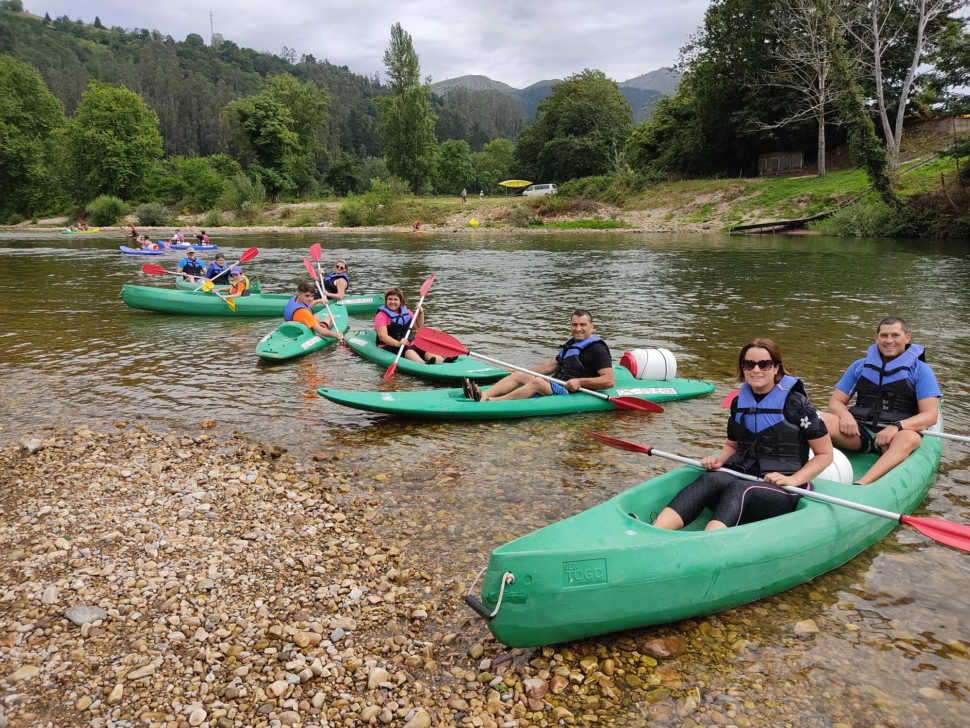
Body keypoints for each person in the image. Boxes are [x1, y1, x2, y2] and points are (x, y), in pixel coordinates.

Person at [653, 339, 833, 532]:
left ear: (776, 368)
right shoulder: (738, 403)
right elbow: (733, 445)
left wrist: (794, 480)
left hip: (784, 489)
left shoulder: (798, 405)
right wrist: (719, 460)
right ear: (742, 368)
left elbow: (825, 454)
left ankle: (709, 541)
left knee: (739, 489)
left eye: (764, 364)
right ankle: (656, 532)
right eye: (749, 364)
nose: (756, 370)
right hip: (743, 475)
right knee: (709, 480)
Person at [821, 317, 941, 485]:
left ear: (907, 338)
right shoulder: (859, 366)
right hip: (857, 434)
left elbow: (930, 416)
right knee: (817, 418)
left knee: (910, 438)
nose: (889, 340)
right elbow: (836, 401)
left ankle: (863, 483)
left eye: (895, 335)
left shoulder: (920, 370)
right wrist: (844, 415)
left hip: (893, 439)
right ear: (876, 338)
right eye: (884, 335)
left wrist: (897, 426)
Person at [468, 309, 613, 402]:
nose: (578, 329)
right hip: (557, 385)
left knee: (538, 382)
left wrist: (580, 382)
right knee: (520, 374)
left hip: (571, 392)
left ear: (591, 326)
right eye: (574, 325)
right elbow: (550, 366)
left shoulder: (597, 349)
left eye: (583, 325)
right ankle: (483, 394)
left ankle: (493, 401)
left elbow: (609, 380)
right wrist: (524, 371)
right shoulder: (571, 344)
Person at [374, 287, 445, 364]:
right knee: (407, 349)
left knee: (422, 348)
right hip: (389, 344)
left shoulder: (406, 312)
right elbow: (382, 336)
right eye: (390, 299)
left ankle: (442, 361)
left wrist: (420, 313)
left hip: (408, 341)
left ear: (400, 301)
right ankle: (423, 364)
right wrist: (398, 344)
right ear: (386, 300)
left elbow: (418, 327)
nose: (392, 302)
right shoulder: (381, 315)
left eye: (395, 299)